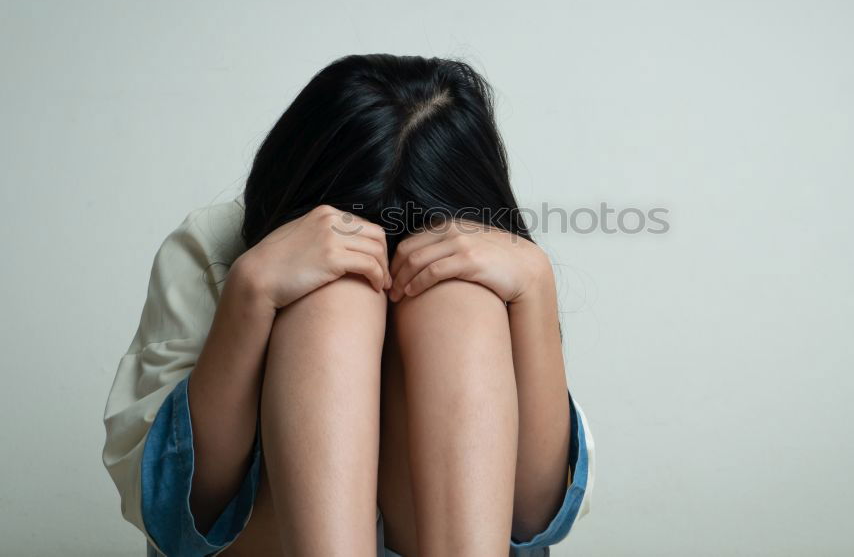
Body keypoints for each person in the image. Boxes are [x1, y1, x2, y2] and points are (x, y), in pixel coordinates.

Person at [102, 54, 595, 557]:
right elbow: (180, 519)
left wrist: (535, 284)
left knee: (456, 298)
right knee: (334, 299)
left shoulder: (497, 261)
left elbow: (534, 520)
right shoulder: (212, 246)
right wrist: (252, 292)